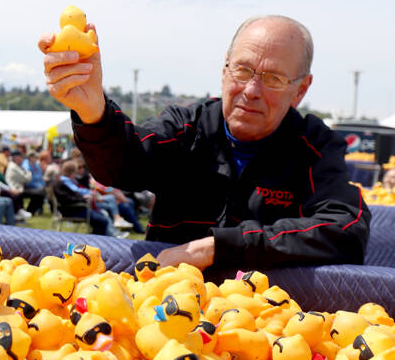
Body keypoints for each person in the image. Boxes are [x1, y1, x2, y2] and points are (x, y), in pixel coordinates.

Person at [39, 15, 371, 270]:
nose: (252, 90)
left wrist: (216, 248)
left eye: (273, 79)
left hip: (271, 329)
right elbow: (124, 163)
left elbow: (345, 228)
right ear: (225, 70)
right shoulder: (186, 128)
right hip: (166, 311)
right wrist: (93, 110)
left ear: (300, 90)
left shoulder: (314, 146)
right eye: (243, 70)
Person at [53, 160, 110, 236]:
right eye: (75, 172)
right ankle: (96, 240)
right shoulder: (60, 183)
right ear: (72, 172)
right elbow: (67, 200)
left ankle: (95, 237)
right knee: (102, 220)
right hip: (72, 211)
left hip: (78, 208)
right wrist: (83, 198)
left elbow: (73, 196)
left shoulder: (70, 181)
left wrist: (85, 197)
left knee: (102, 217)